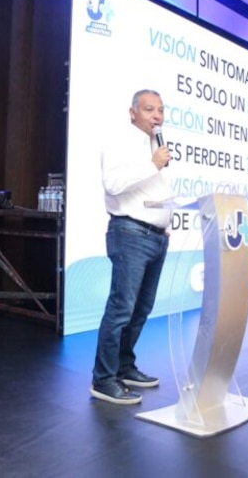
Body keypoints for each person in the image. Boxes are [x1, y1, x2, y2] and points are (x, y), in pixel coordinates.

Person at [90, 89, 173, 405]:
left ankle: (124, 367)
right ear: (132, 112)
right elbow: (113, 184)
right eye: (150, 109)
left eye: (161, 110)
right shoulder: (119, 141)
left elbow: (155, 191)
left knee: (141, 309)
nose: (157, 116)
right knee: (121, 308)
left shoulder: (156, 145)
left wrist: (165, 226)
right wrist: (152, 164)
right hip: (130, 234)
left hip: (156, 237)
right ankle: (103, 379)